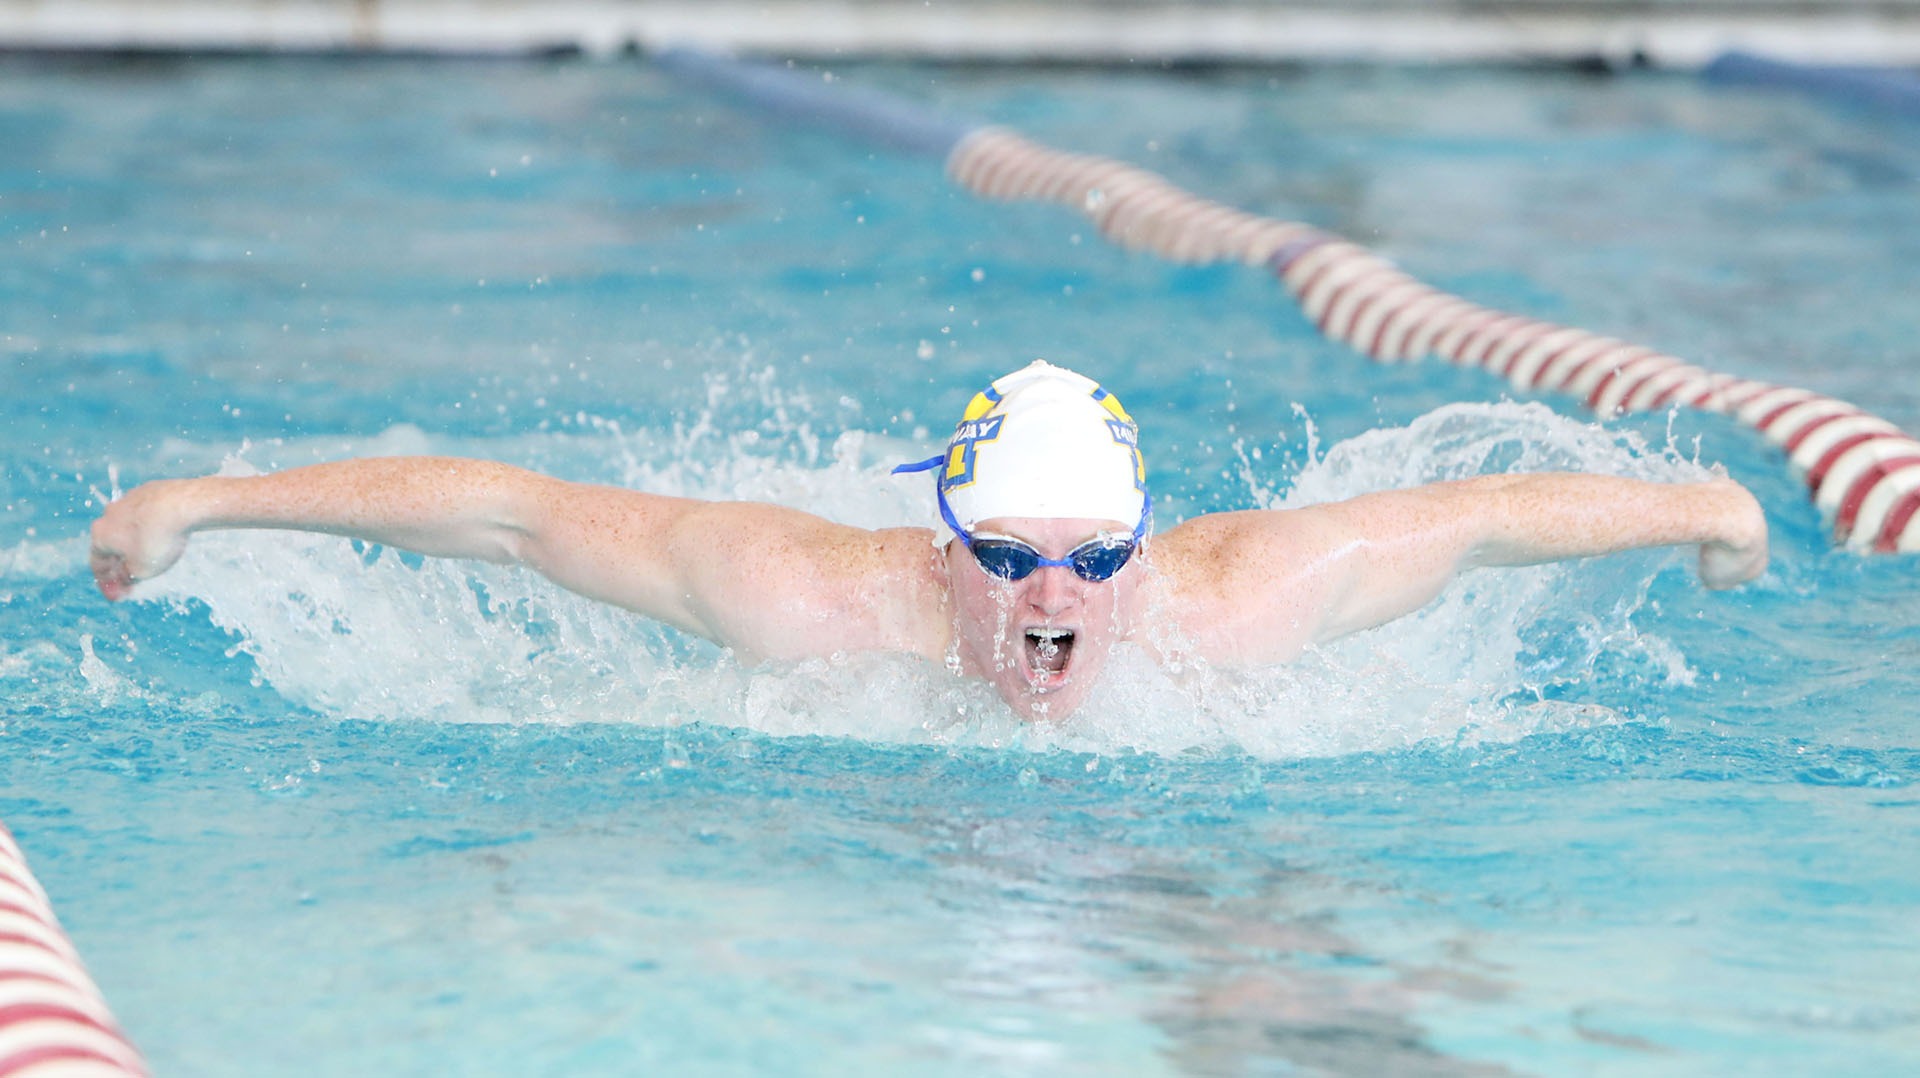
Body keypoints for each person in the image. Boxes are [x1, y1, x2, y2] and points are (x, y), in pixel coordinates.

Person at [89, 361, 1769, 720]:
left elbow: (1479, 522)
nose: (1055, 592)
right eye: (1012, 555)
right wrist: (205, 501)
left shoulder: (1237, 602)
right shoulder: (810, 596)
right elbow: (519, 515)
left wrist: (1706, 506)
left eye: (1094, 559)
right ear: (940, 543)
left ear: (1143, 552)